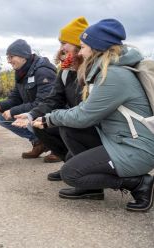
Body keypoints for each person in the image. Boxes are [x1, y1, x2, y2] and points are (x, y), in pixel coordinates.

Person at [35, 19, 154, 211]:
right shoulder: (105, 70)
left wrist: (49, 118)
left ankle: (138, 182)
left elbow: (84, 115)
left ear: (97, 48)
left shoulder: (114, 76)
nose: (80, 52)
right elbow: (83, 114)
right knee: (69, 127)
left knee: (70, 174)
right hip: (119, 140)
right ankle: (93, 187)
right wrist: (50, 118)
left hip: (136, 149)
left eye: (83, 47)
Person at [13, 17, 90, 170]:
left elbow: (89, 111)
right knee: (40, 125)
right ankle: (70, 164)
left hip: (92, 124)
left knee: (63, 126)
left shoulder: (94, 71)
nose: (61, 49)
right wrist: (31, 115)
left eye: (63, 43)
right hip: (75, 119)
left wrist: (53, 118)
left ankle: (84, 169)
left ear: (78, 45)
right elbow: (53, 99)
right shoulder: (66, 71)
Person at [0, 39, 56, 158]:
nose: (8, 61)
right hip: (36, 110)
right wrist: (0, 106)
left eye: (11, 57)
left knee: (44, 115)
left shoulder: (43, 71)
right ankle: (39, 142)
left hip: (50, 111)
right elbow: (15, 97)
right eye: (7, 57)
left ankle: (58, 147)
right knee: (3, 118)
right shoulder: (21, 72)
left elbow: (44, 103)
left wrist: (13, 111)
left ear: (23, 56)